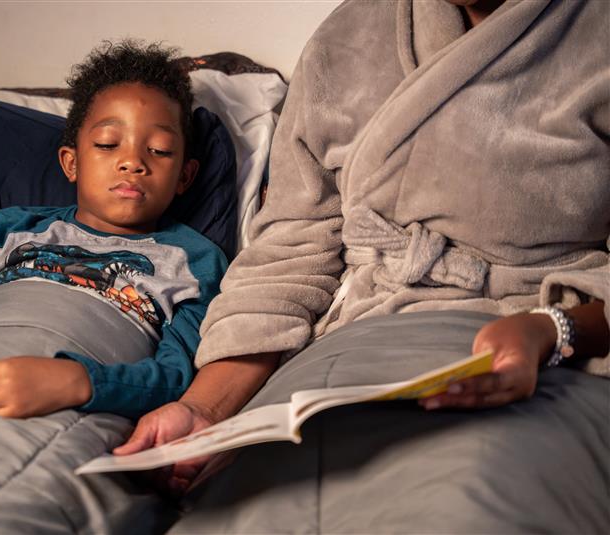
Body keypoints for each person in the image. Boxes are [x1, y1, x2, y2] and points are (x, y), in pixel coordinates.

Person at [115, 0, 610, 509]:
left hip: (535, 352)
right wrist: (204, 409)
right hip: (353, 343)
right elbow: (295, 243)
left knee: (469, 500)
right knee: (266, 504)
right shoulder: (350, 33)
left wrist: (551, 329)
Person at [0, 41, 227, 420]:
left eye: (160, 150)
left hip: (68, 406)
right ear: (71, 162)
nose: (132, 162)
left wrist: (79, 381)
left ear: (185, 175)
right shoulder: (3, 231)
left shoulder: (194, 258)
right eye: (107, 144)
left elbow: (178, 375)